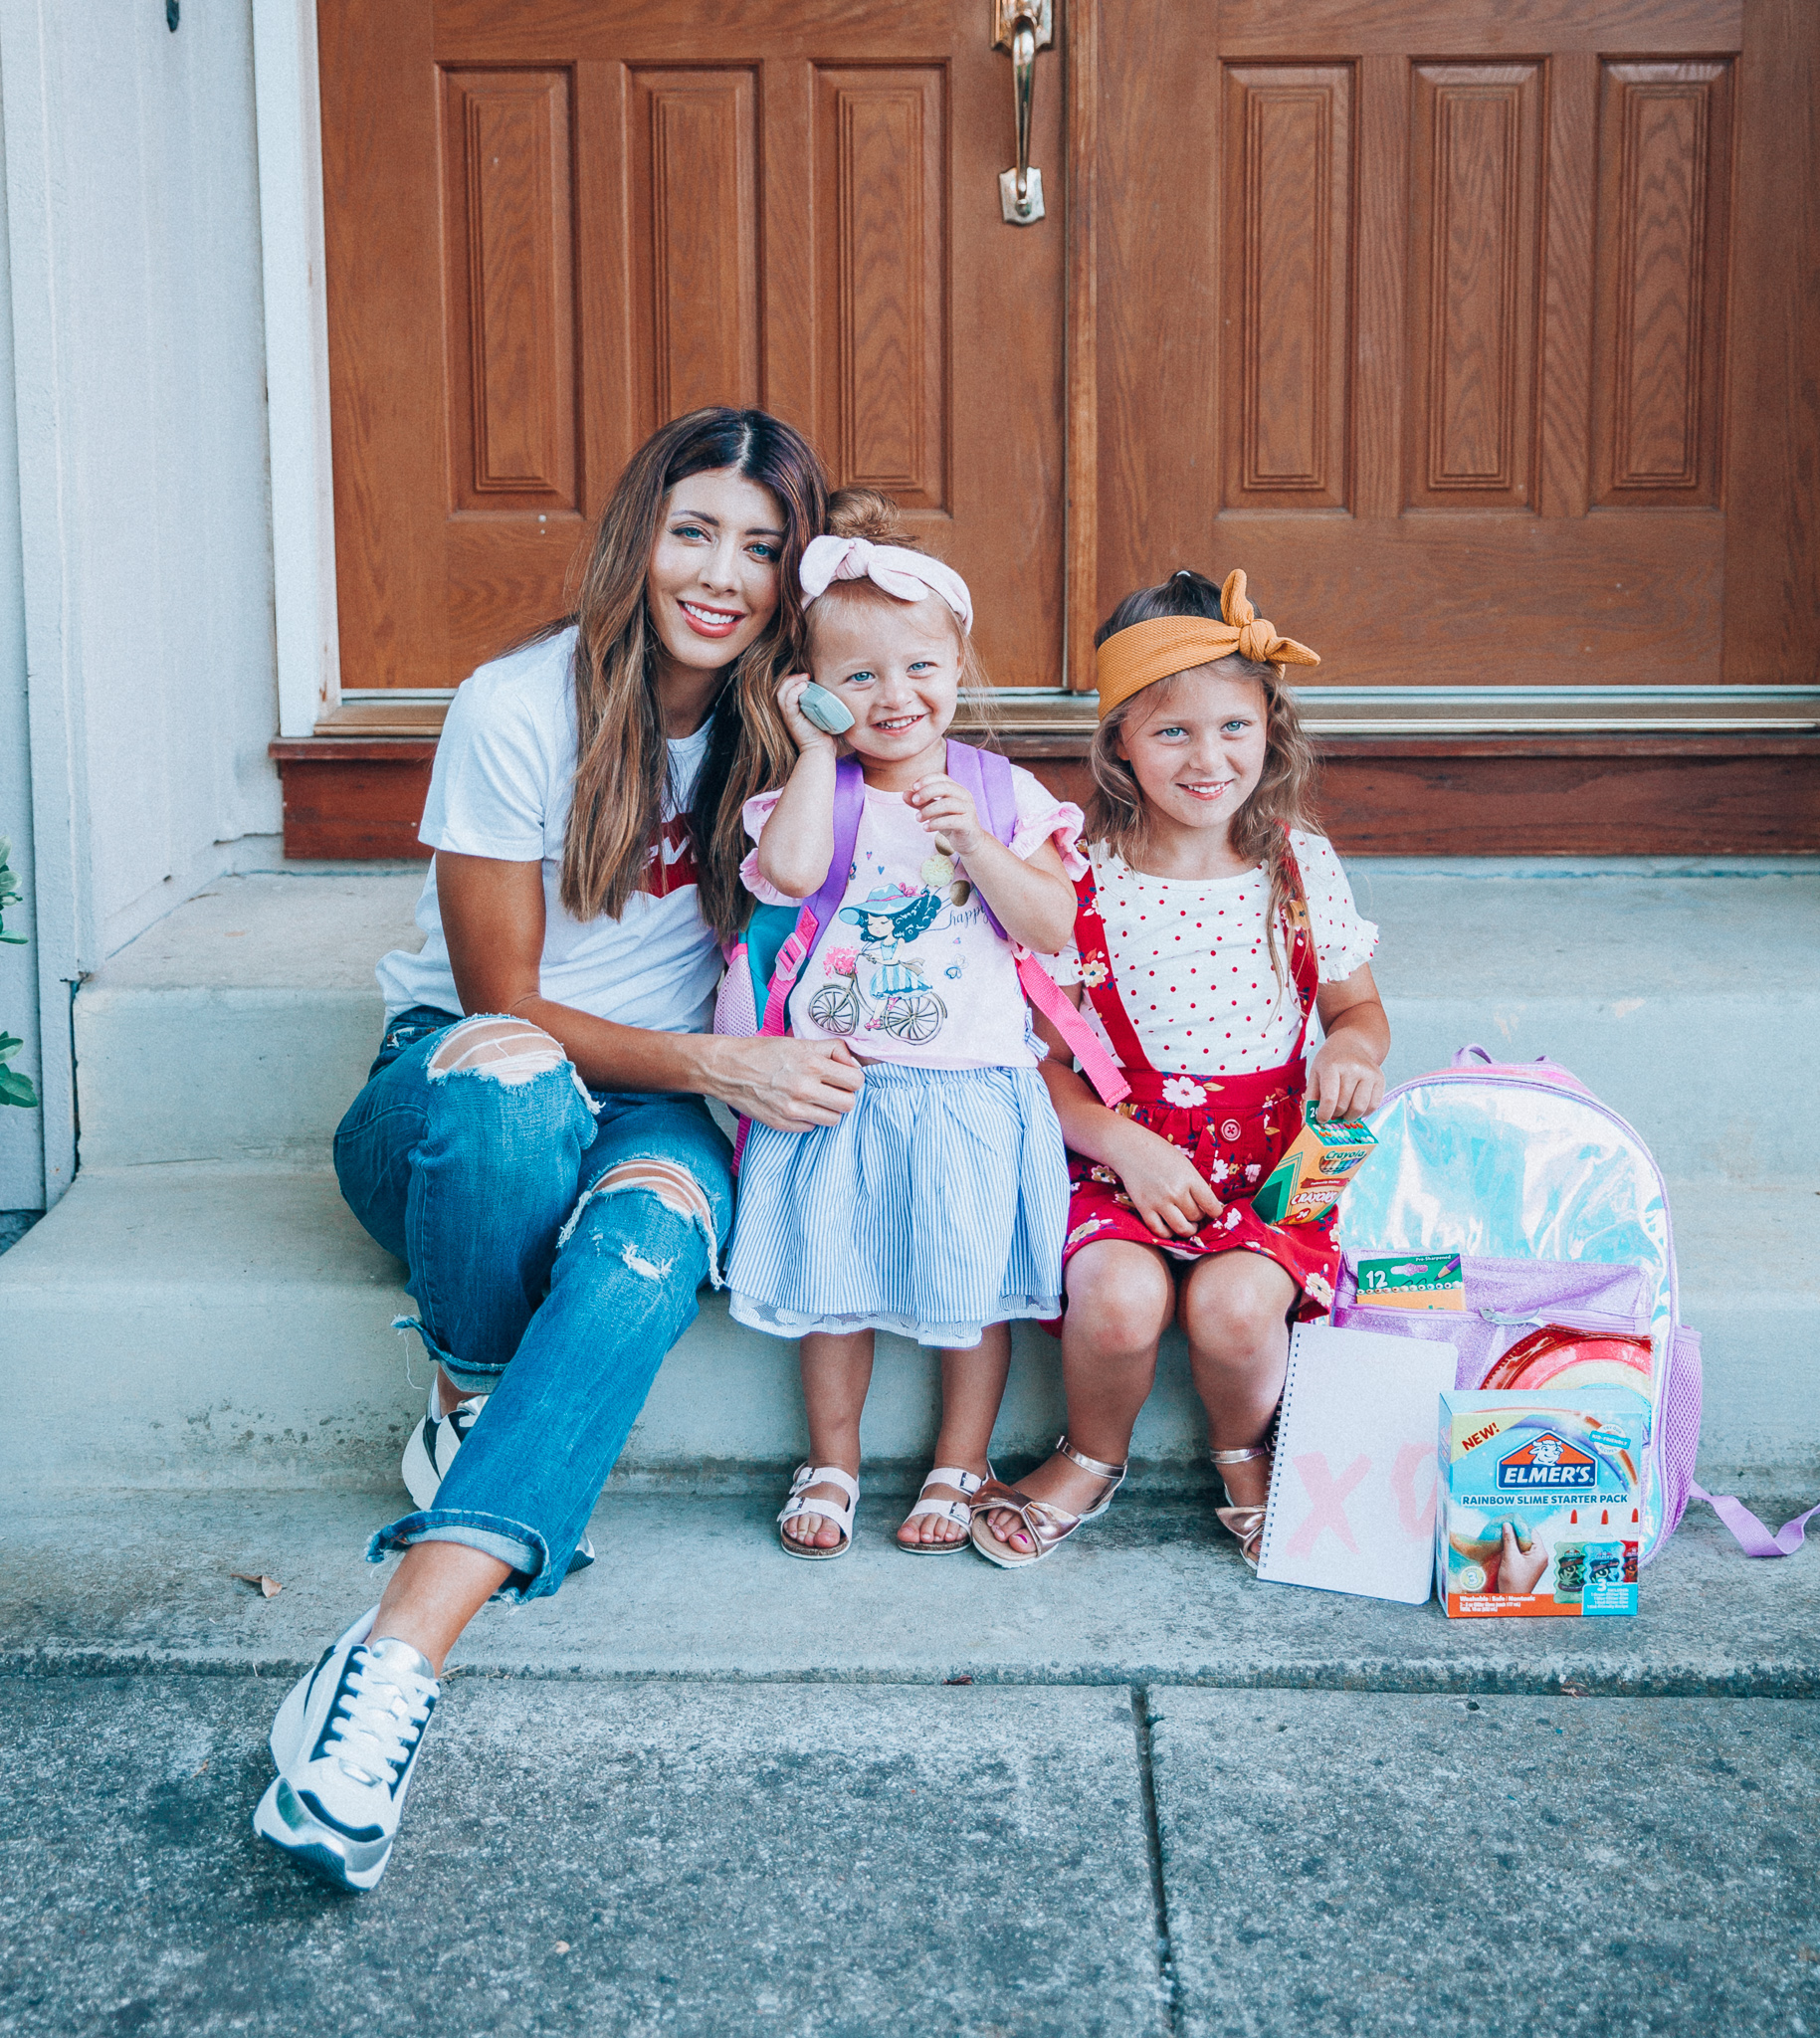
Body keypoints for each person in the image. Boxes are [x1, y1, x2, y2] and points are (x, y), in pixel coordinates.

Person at [253, 408, 864, 1891]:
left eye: (763, 547)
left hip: (650, 1111)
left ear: (796, 576)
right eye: (694, 531)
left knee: (651, 1244)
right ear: (637, 536)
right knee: (515, 1083)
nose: (722, 574)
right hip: (463, 1089)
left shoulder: (780, 724)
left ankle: (391, 1665)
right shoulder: (516, 704)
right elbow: (500, 1002)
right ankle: (474, 1383)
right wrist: (721, 1064)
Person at [971, 568, 1391, 1569]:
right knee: (1116, 1299)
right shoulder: (1075, 874)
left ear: (1268, 727)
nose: (1208, 759)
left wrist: (1349, 1048)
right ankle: (1089, 1455)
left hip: (1274, 1159)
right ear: (1119, 738)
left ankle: (1246, 1456)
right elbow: (1044, 1063)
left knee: (1235, 1307)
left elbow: (1357, 1008)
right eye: (1171, 733)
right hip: (1124, 1155)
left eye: (1232, 728)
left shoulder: (1297, 862)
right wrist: (1123, 1145)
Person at [724, 493, 1082, 1557]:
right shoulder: (817, 790)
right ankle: (832, 1457)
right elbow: (785, 877)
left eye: (919, 667)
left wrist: (978, 841)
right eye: (858, 676)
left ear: (957, 668)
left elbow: (1052, 925)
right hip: (840, 1086)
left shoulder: (999, 791)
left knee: (966, 1295)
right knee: (835, 1294)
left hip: (969, 1083)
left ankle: (956, 1461)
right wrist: (808, 754)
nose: (894, 696)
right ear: (814, 689)